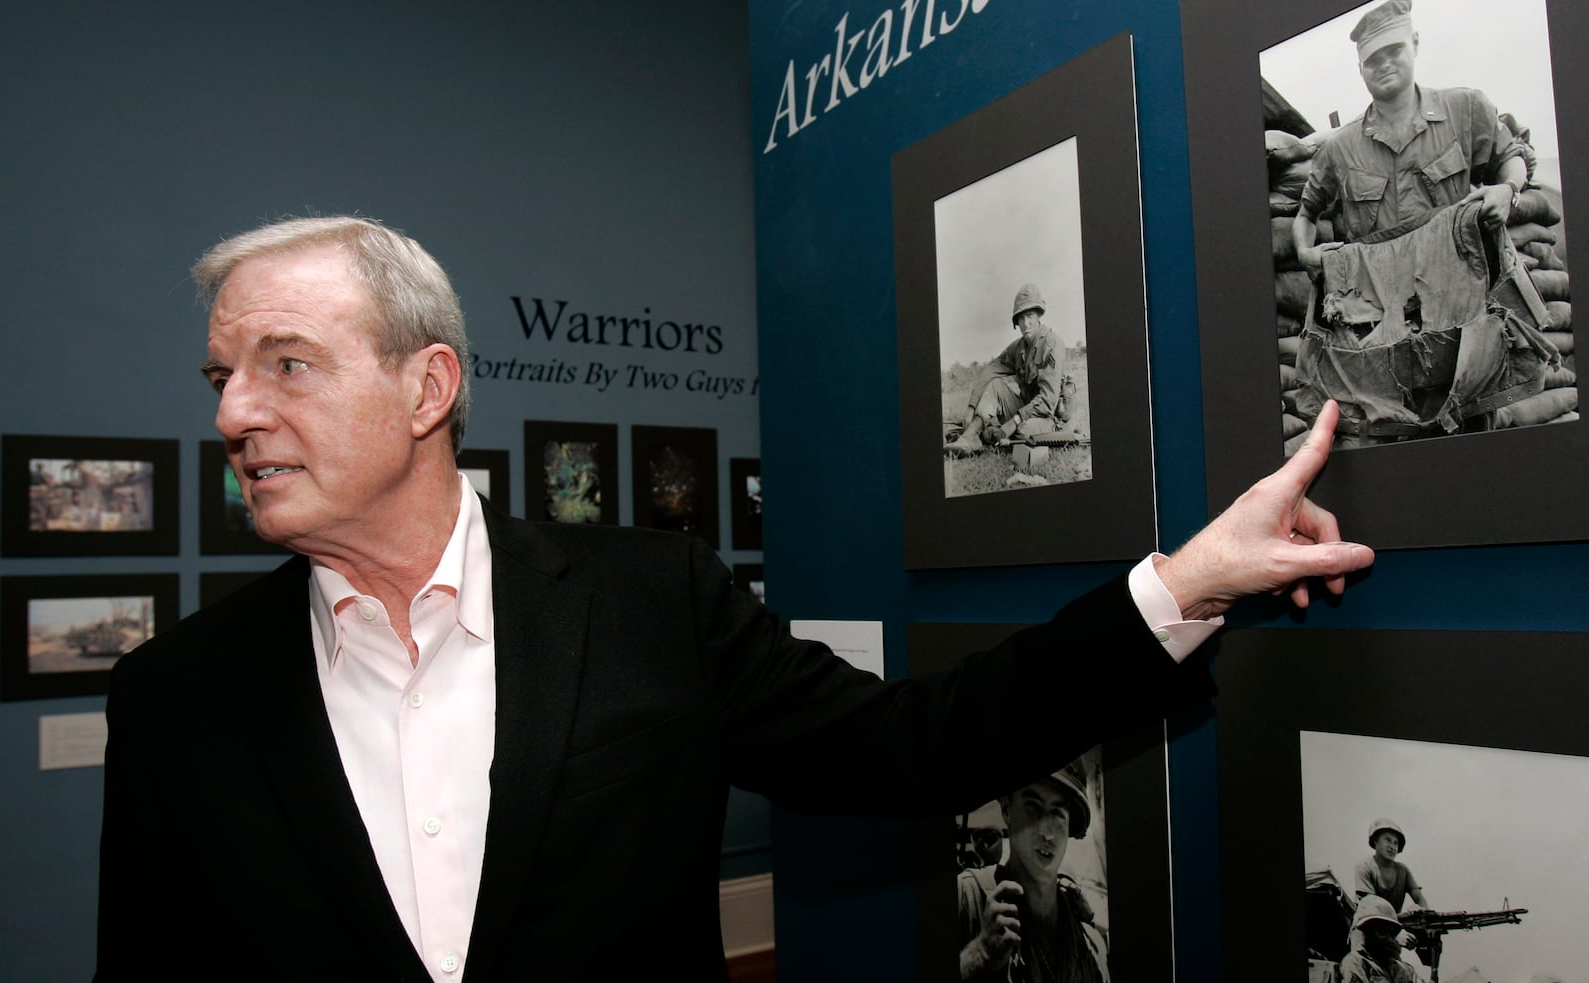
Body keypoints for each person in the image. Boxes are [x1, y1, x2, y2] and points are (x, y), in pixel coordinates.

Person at [95, 216, 1373, 981]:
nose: (234, 412)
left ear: (426, 389)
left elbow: (911, 748)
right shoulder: (178, 692)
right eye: (220, 374)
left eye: (287, 365)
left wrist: (1186, 582)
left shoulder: (650, 600)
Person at [1292, 0, 1529, 270]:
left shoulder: (1465, 109)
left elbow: (1509, 156)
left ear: (1414, 44)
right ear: (1360, 69)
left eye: (1394, 51)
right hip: (1379, 298)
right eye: (1373, 60)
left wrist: (1508, 189)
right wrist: (1303, 252)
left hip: (1460, 286)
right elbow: (1306, 215)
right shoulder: (1339, 147)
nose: (1384, 64)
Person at [958, 761, 1107, 982]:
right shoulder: (968, 895)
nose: (1046, 833)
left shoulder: (1085, 935)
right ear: (1007, 810)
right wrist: (980, 955)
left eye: (1058, 813)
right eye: (1032, 806)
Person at [945, 283, 1068, 454]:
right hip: (1026, 410)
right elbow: (991, 369)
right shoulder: (1019, 348)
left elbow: (1048, 401)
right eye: (1021, 318)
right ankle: (970, 437)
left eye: (1030, 316)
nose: (1026, 323)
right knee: (996, 385)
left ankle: (989, 435)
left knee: (1023, 431)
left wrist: (1015, 420)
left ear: (1039, 315)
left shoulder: (1051, 344)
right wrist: (971, 409)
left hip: (1047, 417)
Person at [1354, 817, 1430, 916]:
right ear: (1376, 840)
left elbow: (1420, 899)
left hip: (1394, 925)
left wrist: (1419, 909)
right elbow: (1370, 905)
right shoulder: (1365, 866)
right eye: (1388, 840)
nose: (1392, 847)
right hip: (1367, 923)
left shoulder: (1403, 870)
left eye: (1395, 843)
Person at [1339, 896, 1419, 983]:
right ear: (1367, 931)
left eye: (1391, 932)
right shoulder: (1355, 962)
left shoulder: (1405, 970)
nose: (1387, 937)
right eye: (1382, 931)